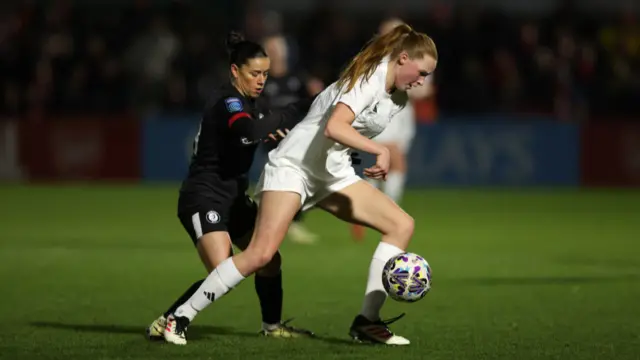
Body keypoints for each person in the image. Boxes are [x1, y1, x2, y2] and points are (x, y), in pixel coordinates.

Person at [164, 23, 437, 346]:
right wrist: (378, 150)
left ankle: (367, 322)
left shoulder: (398, 99)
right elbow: (334, 127)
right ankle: (178, 317)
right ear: (403, 58)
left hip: (331, 173)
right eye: (421, 72)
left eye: (427, 76)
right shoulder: (369, 78)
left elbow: (338, 130)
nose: (422, 81)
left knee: (401, 225)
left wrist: (353, 154)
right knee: (261, 255)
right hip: (293, 168)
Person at [147, 31, 315, 345]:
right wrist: (292, 111)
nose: (262, 80)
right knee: (224, 271)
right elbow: (247, 130)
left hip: (234, 197)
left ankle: (272, 325)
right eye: (254, 73)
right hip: (203, 196)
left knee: (268, 259)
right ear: (235, 71)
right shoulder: (228, 100)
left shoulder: (253, 103)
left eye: (265, 73)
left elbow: (265, 131)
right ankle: (170, 320)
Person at [351, 18, 436, 241]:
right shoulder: (376, 60)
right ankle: (388, 214)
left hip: (403, 116)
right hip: (381, 114)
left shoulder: (414, 57)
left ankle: (363, 212)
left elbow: (424, 88)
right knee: (395, 159)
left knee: (384, 167)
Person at [260, 34, 324, 244]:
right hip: (273, 137)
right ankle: (286, 221)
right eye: (269, 49)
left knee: (301, 180)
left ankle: (284, 218)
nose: (273, 54)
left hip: (296, 137)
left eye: (276, 49)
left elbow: (316, 96)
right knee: (289, 179)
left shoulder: (297, 78)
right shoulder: (261, 79)